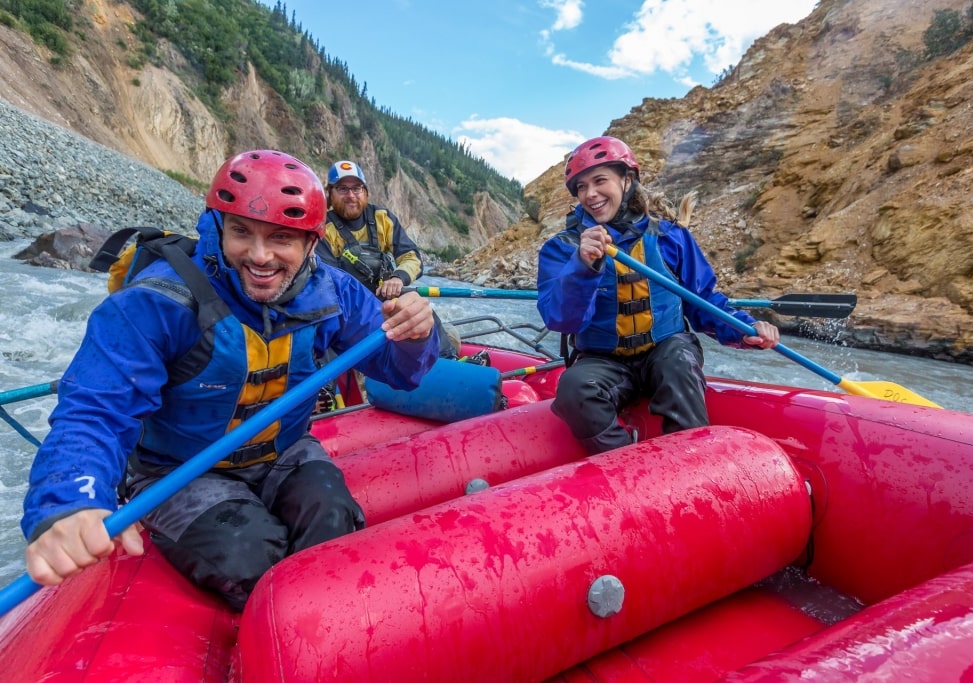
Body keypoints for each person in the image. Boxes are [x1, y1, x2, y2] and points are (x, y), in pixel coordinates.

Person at [21, 149, 440, 611]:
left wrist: (418, 334)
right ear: (218, 226)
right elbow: (96, 409)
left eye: (281, 237)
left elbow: (403, 372)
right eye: (241, 231)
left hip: (286, 452)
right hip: (180, 471)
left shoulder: (334, 291)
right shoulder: (158, 300)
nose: (259, 256)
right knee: (250, 555)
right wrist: (68, 501)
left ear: (311, 242)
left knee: (332, 521)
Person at [537, 136, 780, 454]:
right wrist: (583, 266)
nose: (590, 194)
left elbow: (703, 300)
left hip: (665, 350)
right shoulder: (563, 248)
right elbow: (561, 318)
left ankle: (691, 460)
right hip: (603, 362)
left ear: (627, 180)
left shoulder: (670, 236)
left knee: (678, 363)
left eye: (599, 181)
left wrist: (745, 330)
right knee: (572, 390)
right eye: (581, 187)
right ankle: (625, 458)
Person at [318, 159, 458, 358]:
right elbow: (328, 280)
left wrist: (398, 278)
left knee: (418, 307)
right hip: (346, 308)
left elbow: (412, 257)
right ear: (330, 195)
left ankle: (447, 359)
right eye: (342, 189)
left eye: (356, 188)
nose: (350, 195)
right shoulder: (323, 228)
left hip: (383, 299)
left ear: (365, 192)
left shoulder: (383, 218)